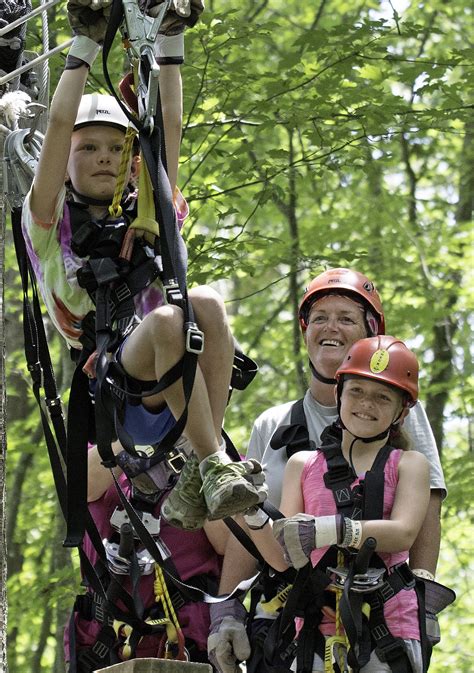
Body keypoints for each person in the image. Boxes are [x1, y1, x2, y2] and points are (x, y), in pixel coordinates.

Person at [21, 0, 267, 533]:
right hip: (114, 382)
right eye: (88, 149)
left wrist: (171, 43)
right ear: (64, 160)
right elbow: (61, 124)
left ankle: (201, 464)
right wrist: (84, 47)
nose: (105, 157)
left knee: (207, 305)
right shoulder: (49, 219)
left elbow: (168, 129)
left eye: (116, 147)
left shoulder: (149, 209)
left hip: (169, 379)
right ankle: (211, 463)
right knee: (168, 320)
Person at [208, 268, 445, 673]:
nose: (330, 327)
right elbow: (251, 530)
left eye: (346, 318)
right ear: (304, 332)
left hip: (381, 614)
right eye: (319, 317)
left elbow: (423, 514)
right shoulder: (275, 425)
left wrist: (423, 600)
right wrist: (226, 608)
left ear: (370, 332)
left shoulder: (400, 413)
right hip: (292, 615)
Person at [240, 335, 430, 673]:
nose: (367, 404)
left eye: (382, 397)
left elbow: (403, 533)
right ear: (339, 393)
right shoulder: (303, 464)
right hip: (317, 627)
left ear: (401, 412)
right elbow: (285, 558)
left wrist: (328, 529)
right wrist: (254, 513)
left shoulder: (408, 464)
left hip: (389, 626)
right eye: (356, 391)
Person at [64, 438, 230, 670]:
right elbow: (81, 487)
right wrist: (140, 434)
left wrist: (201, 452)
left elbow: (226, 542)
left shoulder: (221, 463)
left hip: (180, 644)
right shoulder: (100, 452)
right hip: (100, 644)